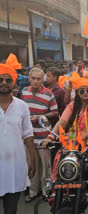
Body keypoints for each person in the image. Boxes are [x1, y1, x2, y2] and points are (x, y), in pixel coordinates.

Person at [42, 78, 88, 211]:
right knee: (59, 160)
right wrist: (50, 136)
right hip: (72, 145)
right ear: (78, 92)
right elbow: (62, 122)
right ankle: (55, 195)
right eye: (82, 90)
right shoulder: (71, 106)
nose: (85, 93)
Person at [0, 55, 36, 214]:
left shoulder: (22, 106)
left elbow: (28, 135)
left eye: (8, 80)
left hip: (15, 166)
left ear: (14, 82)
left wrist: (32, 160)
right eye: (0, 79)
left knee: (11, 210)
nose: (4, 83)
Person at [21, 67, 59, 203]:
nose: (36, 81)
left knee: (47, 166)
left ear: (42, 80)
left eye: (38, 78)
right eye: (33, 78)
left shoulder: (49, 94)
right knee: (31, 164)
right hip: (28, 136)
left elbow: (55, 112)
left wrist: (40, 116)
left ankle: (47, 191)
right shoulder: (24, 92)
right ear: (29, 79)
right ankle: (33, 191)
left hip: (43, 136)